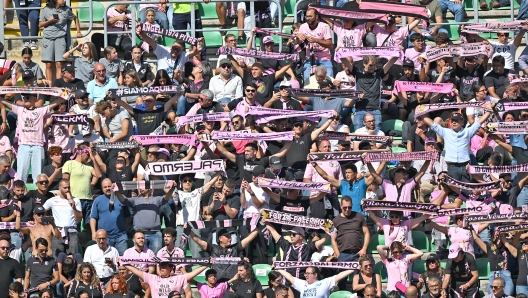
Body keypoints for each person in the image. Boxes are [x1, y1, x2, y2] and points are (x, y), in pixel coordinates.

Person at [0, 92, 65, 183]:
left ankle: (36, 196)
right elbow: (5, 102)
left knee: (38, 176)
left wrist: (65, 93)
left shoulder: (41, 110)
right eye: (23, 98)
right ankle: (19, 195)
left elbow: (58, 101)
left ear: (35, 99)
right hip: (23, 146)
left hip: (37, 146)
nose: (24, 99)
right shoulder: (20, 109)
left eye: (27, 97)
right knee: (21, 175)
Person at [422, 110, 492, 182]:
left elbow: (479, 122)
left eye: (456, 121)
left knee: (466, 192)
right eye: (452, 121)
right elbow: (432, 124)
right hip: (451, 167)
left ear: (462, 122)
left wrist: (489, 110)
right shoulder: (446, 132)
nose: (454, 122)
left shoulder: (467, 132)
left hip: (465, 166)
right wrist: (421, 113)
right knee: (453, 192)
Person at [115, 180, 177, 254]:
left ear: (150, 188)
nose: (141, 188)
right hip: (140, 235)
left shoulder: (156, 199)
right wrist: (116, 191)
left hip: (155, 234)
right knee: (140, 259)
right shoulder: (135, 200)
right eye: (140, 187)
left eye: (143, 186)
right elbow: (123, 201)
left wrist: (172, 188)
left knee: (155, 259)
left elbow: (166, 198)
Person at [186, 224, 261, 282]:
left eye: (230, 236)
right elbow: (198, 240)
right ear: (220, 238)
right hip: (218, 283)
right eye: (227, 236)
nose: (230, 238)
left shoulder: (235, 248)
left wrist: (260, 225)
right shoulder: (213, 248)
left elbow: (249, 238)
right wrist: (189, 230)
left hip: (234, 283)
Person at [38, 0, 81, 80]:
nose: (64, 0)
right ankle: (50, 86)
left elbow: (75, 18)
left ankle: (58, 86)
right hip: (48, 38)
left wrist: (78, 32)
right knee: (48, 64)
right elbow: (40, 25)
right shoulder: (46, 9)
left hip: (60, 38)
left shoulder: (67, 10)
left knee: (59, 64)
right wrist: (50, 20)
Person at [123, 261, 207, 298]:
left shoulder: (178, 278)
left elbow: (194, 273)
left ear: (171, 267)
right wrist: (122, 262)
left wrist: (207, 264)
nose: (161, 267)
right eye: (161, 265)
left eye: (164, 265)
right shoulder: (153, 278)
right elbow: (136, 271)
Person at [42, 179, 82, 255]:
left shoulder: (76, 200)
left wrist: (73, 207)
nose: (67, 190)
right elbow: (40, 212)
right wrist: (48, 221)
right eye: (65, 188)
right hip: (58, 231)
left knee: (72, 257)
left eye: (69, 187)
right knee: (57, 258)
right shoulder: (52, 200)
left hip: (72, 231)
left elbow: (79, 219)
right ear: (59, 188)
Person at [90, 179, 129, 255]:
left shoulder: (121, 198)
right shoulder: (98, 200)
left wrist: (126, 228)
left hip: (121, 236)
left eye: (109, 186)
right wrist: (93, 232)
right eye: (105, 187)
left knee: (123, 261)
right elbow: (93, 217)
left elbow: (128, 216)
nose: (107, 188)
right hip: (104, 238)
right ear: (102, 188)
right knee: (106, 261)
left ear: (112, 186)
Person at [473, 230, 515, 295]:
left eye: (500, 236)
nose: (499, 238)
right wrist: (471, 228)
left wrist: (502, 236)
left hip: (506, 275)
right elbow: (476, 238)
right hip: (494, 276)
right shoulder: (489, 249)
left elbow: (517, 238)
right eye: (497, 236)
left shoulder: (508, 248)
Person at [278, 266, 355, 298]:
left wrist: (354, 268)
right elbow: (289, 277)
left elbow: (339, 276)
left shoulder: (325, 283)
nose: (305, 275)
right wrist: (277, 268)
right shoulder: (302, 284)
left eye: (308, 273)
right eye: (305, 273)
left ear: (315, 274)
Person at [0, 233, 23, 298]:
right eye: (3, 248)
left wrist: (15, 292)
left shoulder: (14, 262)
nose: (5, 250)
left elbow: (19, 279)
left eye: (7, 248)